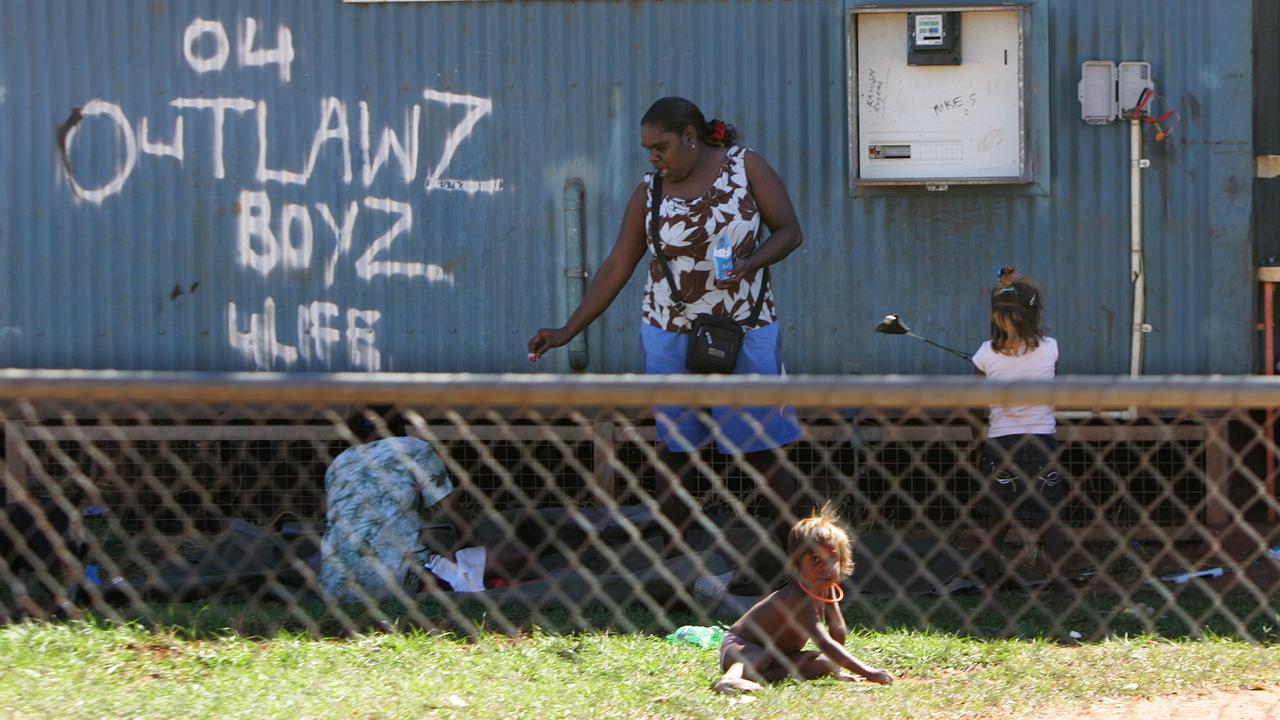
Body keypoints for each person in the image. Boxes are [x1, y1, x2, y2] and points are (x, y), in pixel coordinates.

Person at [527, 96, 805, 590]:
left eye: (661, 147)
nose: (653, 158)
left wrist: (753, 261)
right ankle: (674, 566)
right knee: (675, 450)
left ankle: (799, 560)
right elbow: (619, 263)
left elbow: (790, 231)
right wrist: (569, 328)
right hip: (669, 331)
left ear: (691, 138)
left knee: (762, 450)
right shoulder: (649, 191)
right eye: (646, 150)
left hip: (745, 328)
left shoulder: (746, 167)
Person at [713, 503, 894, 694]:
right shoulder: (797, 595)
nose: (825, 566)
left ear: (842, 560)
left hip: (780, 657)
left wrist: (837, 670)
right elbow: (823, 641)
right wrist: (869, 672)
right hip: (740, 647)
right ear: (797, 564)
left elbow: (837, 629)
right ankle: (730, 679)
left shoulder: (828, 589)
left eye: (832, 558)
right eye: (815, 560)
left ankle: (762, 678)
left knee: (825, 663)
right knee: (758, 657)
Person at [971, 266, 1071, 595]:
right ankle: (1058, 585)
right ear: (1035, 314)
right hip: (1041, 440)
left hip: (1001, 442)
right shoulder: (1051, 347)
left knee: (996, 518)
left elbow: (976, 403)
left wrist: (978, 443)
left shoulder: (984, 354)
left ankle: (990, 586)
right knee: (1048, 518)